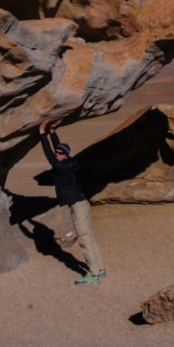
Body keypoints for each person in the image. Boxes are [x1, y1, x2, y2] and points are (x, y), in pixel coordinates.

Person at [39, 118, 106, 286]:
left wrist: (42, 133)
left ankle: (93, 274)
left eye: (61, 154)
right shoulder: (69, 163)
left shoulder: (61, 166)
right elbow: (56, 149)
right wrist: (52, 132)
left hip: (78, 206)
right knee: (89, 236)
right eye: (58, 153)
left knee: (84, 239)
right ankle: (100, 269)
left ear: (65, 156)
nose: (58, 154)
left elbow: (49, 153)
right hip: (82, 204)